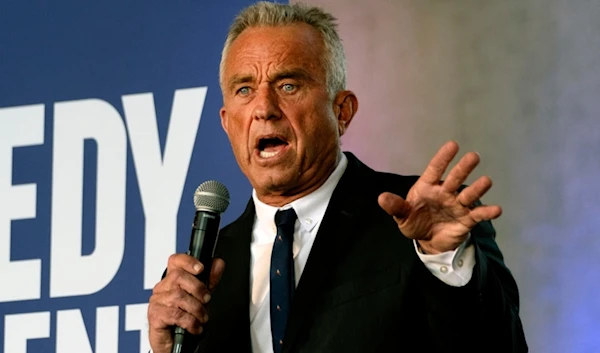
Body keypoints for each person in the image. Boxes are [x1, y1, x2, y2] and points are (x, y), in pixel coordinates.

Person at [147, 2, 528, 352]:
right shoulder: (202, 279)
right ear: (228, 123)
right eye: (244, 89)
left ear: (342, 111)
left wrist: (443, 258)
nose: (264, 108)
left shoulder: (421, 223)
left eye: (288, 85)